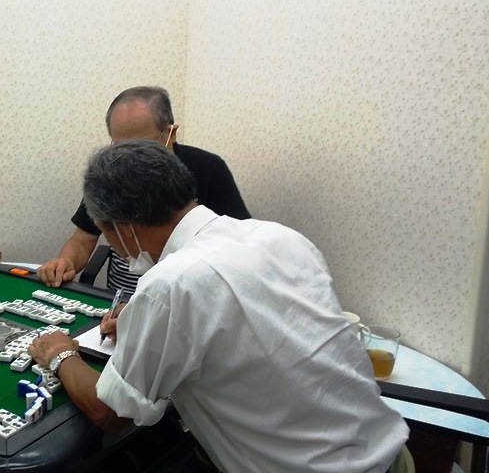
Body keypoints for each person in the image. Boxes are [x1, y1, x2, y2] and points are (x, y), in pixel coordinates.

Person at [28, 141, 411, 473]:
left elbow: (112, 412)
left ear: (123, 227)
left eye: (105, 232)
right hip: (392, 455)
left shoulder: (169, 284)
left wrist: (60, 353)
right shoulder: (280, 236)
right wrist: (145, 321)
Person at [38, 86, 250, 294]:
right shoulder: (109, 174)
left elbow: (237, 243)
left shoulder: (208, 168)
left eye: (144, 146)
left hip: (185, 293)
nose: (131, 157)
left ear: (171, 133)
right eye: (121, 146)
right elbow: (82, 239)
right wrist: (65, 262)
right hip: (124, 295)